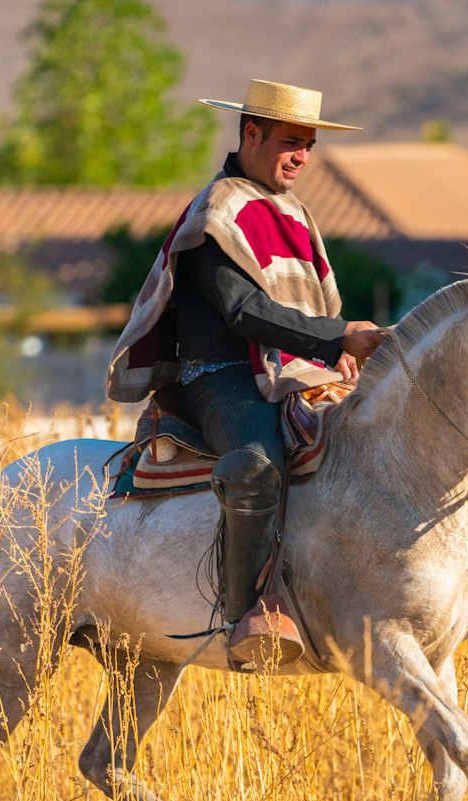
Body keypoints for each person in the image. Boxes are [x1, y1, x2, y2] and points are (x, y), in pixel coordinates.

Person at [107, 79, 386, 668]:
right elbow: (245, 313)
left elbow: (305, 306)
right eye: (291, 141)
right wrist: (336, 335)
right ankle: (251, 612)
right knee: (258, 465)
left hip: (289, 372)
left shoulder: (293, 212)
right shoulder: (219, 210)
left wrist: (334, 351)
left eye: (309, 144)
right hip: (220, 377)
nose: (302, 157)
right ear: (251, 134)